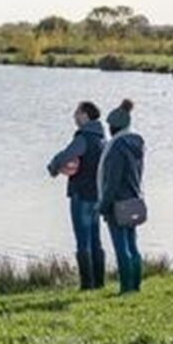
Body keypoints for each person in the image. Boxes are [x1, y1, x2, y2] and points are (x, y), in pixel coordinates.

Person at [47, 101, 107, 290]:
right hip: (97, 195)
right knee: (96, 239)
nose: (74, 117)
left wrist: (53, 168)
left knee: (83, 241)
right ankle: (99, 283)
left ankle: (86, 285)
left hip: (81, 194)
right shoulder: (102, 139)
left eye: (76, 113)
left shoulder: (83, 138)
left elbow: (67, 155)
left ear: (85, 115)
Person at [98, 99, 146, 295]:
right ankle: (135, 286)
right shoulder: (136, 143)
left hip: (118, 203)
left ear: (113, 126)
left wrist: (103, 205)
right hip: (134, 200)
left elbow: (112, 181)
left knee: (121, 248)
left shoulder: (116, 147)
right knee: (133, 245)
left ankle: (126, 288)